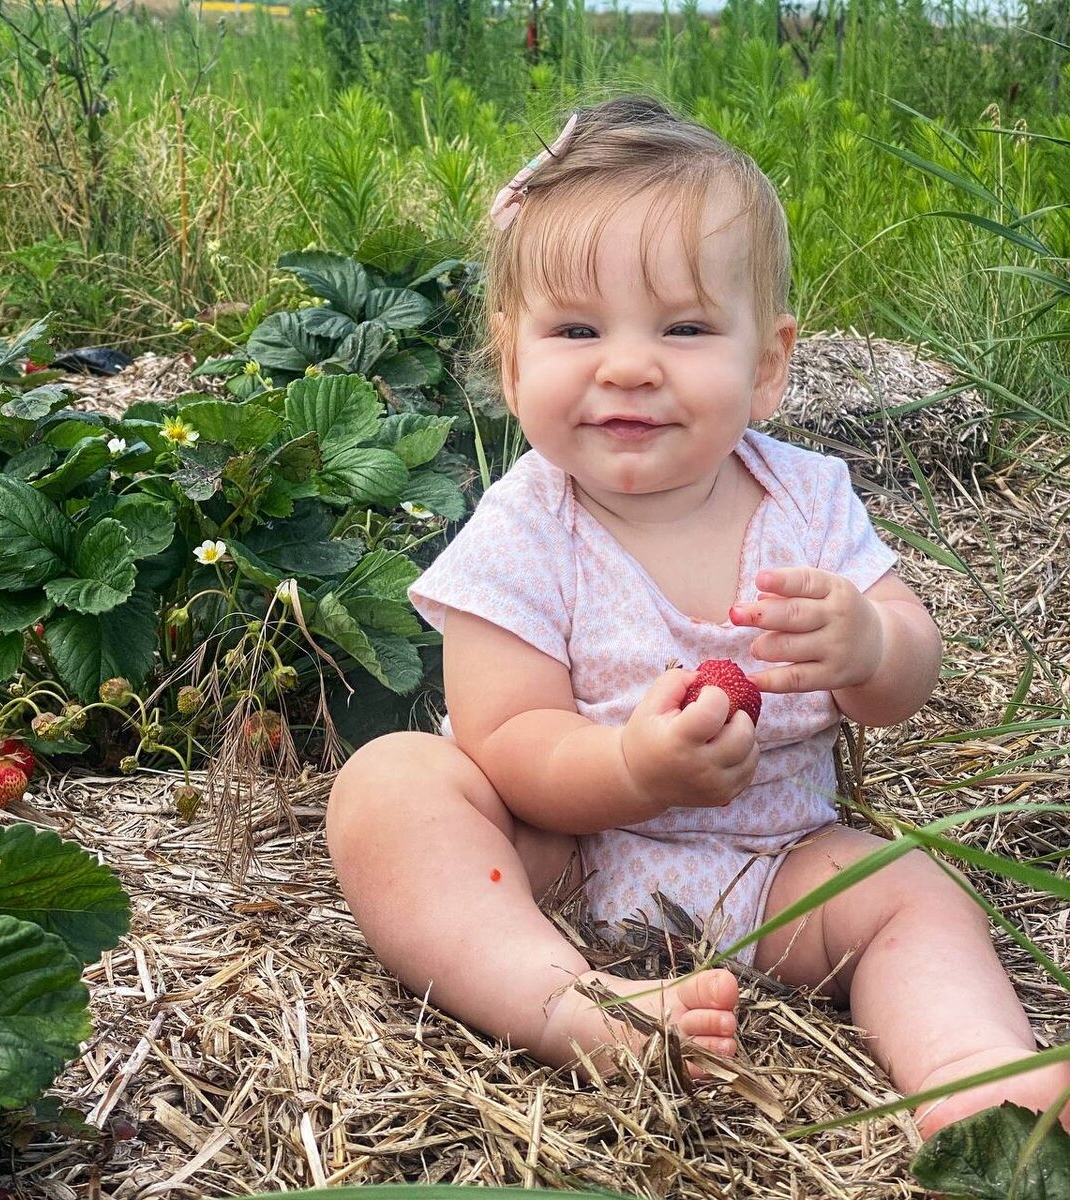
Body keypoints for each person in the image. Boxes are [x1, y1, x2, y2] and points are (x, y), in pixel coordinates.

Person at [326, 95, 1070, 1137]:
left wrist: (868, 642)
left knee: (908, 889)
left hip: (775, 865)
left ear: (767, 364)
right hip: (555, 858)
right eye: (576, 329)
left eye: (682, 328)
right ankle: (562, 1001)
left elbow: (906, 678)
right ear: (510, 360)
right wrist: (630, 772)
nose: (627, 365)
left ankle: (971, 1079)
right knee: (393, 785)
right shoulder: (525, 527)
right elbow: (504, 738)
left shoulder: (808, 502)